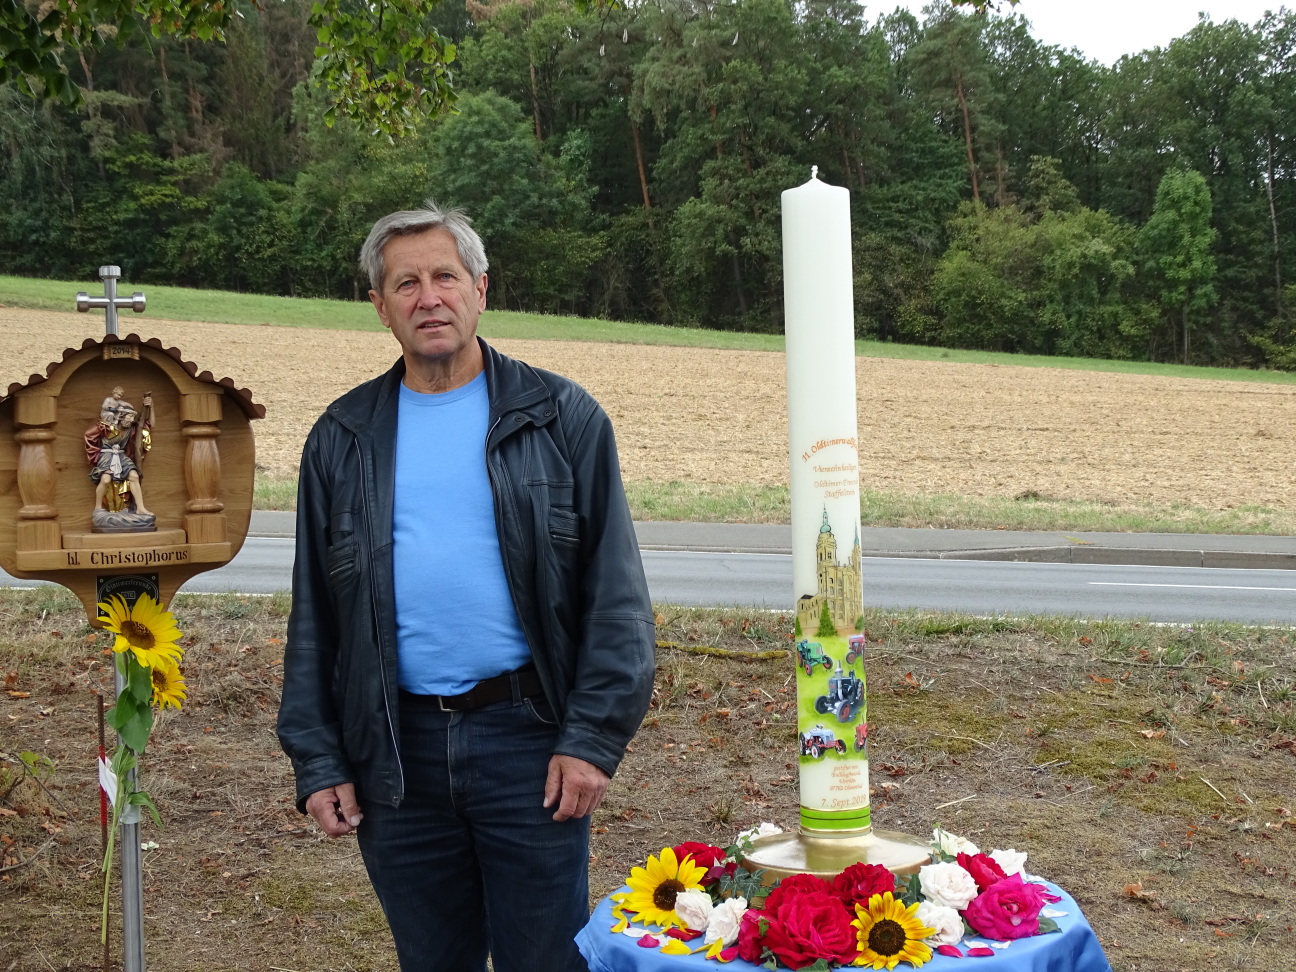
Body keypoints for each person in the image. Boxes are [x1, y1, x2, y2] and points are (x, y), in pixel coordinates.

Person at [277, 201, 655, 972]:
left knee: (546, 961)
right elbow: (315, 617)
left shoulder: (561, 419)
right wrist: (318, 759)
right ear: (380, 306)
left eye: (445, 277)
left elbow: (616, 601)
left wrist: (590, 741)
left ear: (480, 289)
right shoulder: (342, 438)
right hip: (395, 750)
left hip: (529, 741)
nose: (430, 298)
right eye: (406, 284)